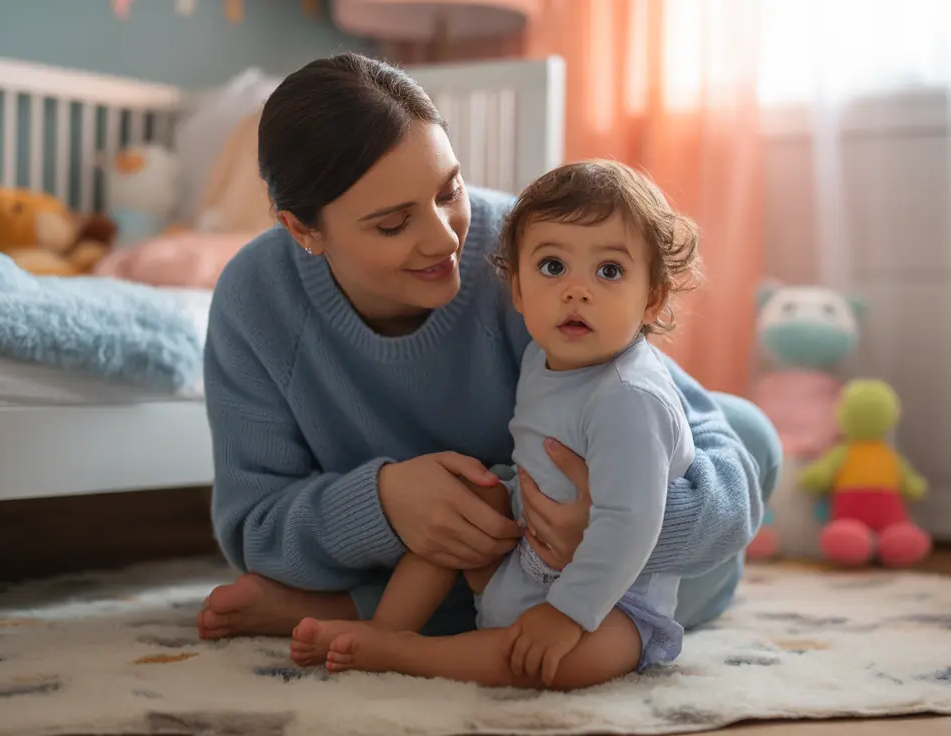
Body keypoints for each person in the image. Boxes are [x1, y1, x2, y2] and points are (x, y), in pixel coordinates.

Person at [194, 51, 781, 653]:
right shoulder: (257, 297)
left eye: (449, 190)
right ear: (302, 230)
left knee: (746, 435)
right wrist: (383, 504)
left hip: (551, 543)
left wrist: (602, 524)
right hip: (451, 556)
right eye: (393, 224)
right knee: (662, 594)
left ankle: (359, 608)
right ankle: (404, 606)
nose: (443, 239)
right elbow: (254, 528)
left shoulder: (535, 258)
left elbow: (720, 466)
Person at [290, 159, 703, 689]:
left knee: (561, 665)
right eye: (553, 267)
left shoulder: (630, 398)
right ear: (519, 291)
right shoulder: (542, 356)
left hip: (613, 600)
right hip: (525, 556)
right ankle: (385, 627)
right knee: (459, 501)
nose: (577, 290)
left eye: (609, 271)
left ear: (653, 298)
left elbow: (632, 523)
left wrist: (567, 613)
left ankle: (409, 654)